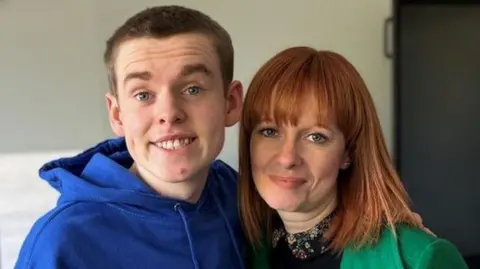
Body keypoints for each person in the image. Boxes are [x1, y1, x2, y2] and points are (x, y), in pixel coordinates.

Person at [14, 6, 245, 269]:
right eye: (143, 95)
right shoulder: (62, 243)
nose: (168, 114)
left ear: (231, 102)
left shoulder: (241, 198)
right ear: (117, 114)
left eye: (192, 89)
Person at [238, 47, 468, 269]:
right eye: (269, 131)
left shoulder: (422, 259)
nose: (287, 158)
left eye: (316, 137)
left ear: (348, 152)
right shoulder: (241, 248)